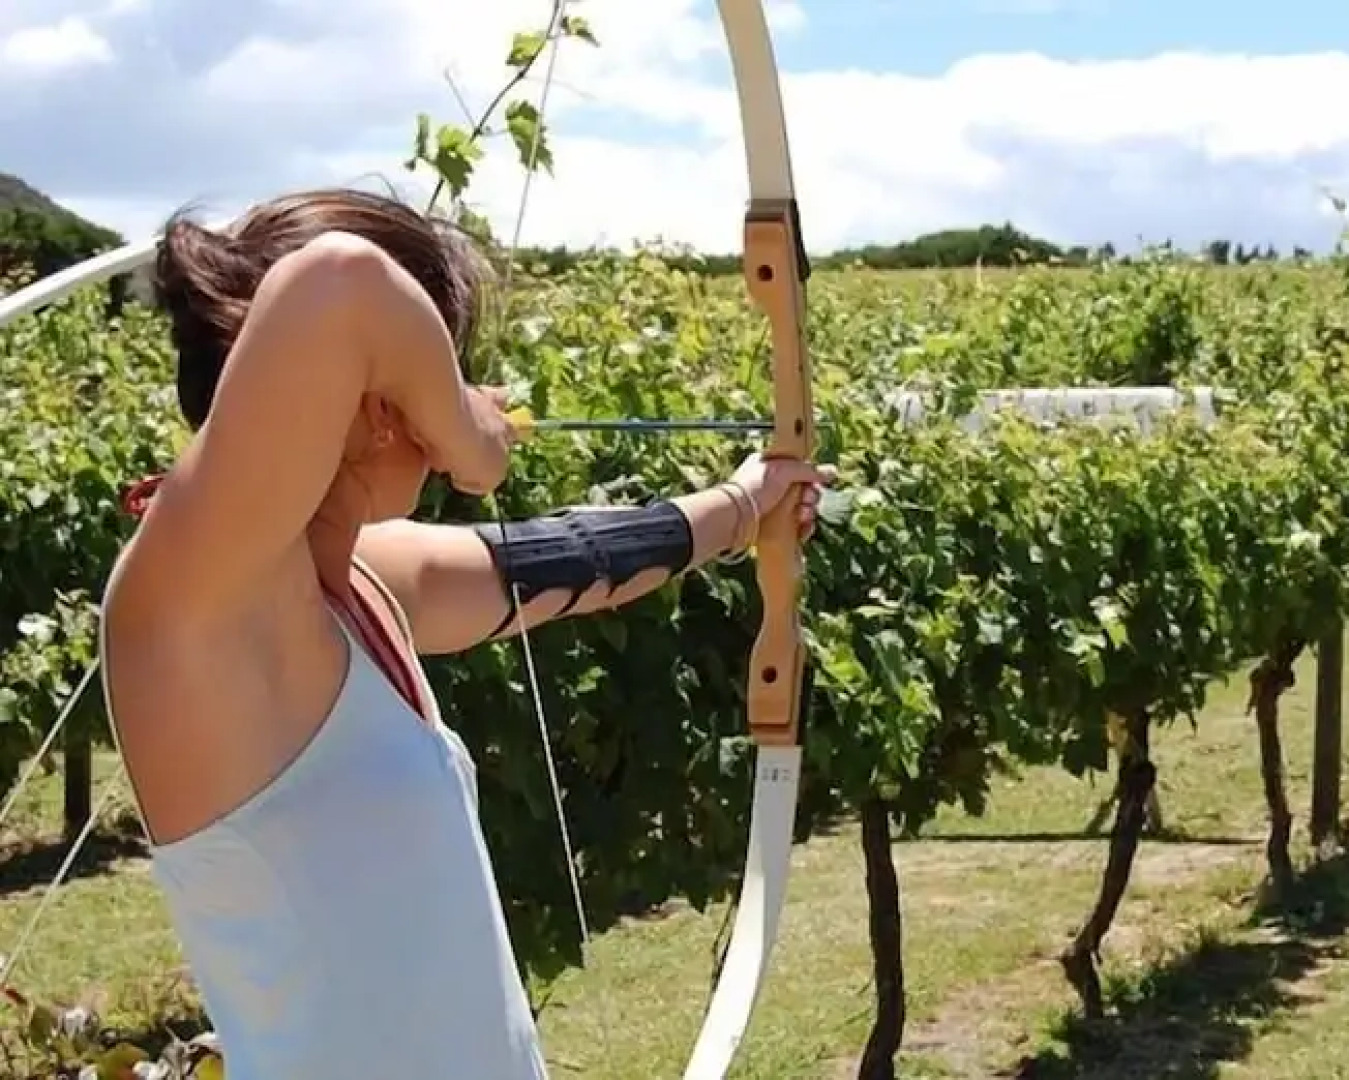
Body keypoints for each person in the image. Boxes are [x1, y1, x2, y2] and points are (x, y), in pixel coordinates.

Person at [97, 188, 830, 1079]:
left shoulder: (364, 582)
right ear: (383, 401)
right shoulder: (195, 609)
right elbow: (340, 286)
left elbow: (565, 561)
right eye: (437, 358)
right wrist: (474, 437)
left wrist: (750, 503)